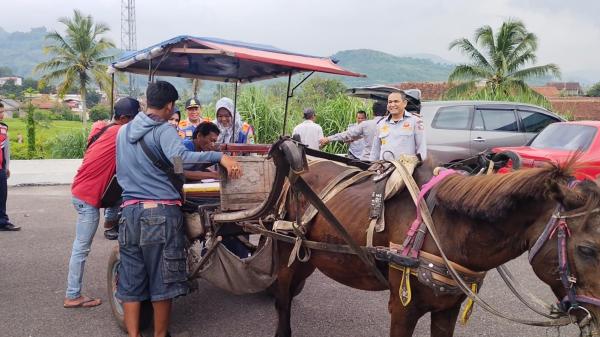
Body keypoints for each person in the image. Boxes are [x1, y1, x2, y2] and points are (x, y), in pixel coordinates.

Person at [115, 81, 241, 337]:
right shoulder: (164, 130)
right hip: (159, 213)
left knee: (131, 277)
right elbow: (179, 159)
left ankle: (134, 335)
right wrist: (220, 157)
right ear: (170, 105)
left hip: (129, 213)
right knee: (164, 277)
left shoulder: (123, 132)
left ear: (148, 100)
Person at [63, 97, 140, 308]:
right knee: (81, 248)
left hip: (81, 190)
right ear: (124, 119)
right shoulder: (120, 133)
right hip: (87, 197)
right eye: (134, 120)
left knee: (123, 191)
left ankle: (110, 221)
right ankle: (72, 295)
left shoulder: (102, 127)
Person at [369, 91, 426, 161]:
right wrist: (371, 166)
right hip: (384, 168)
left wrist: (415, 165)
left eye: (396, 101)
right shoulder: (381, 123)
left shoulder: (415, 121)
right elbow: (375, 150)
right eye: (390, 102)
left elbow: (422, 149)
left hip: (405, 169)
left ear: (404, 103)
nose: (392, 105)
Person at [319, 101, 387, 160]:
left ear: (373, 112)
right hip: (383, 162)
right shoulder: (389, 125)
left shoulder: (366, 124)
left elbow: (347, 134)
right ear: (386, 112)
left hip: (367, 161)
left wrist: (328, 138)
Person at [0, 102, 19, 231]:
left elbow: (6, 150)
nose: (2, 115)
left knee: (2, 197)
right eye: (0, 112)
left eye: (2, 112)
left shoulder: (3, 128)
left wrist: (7, 167)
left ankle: (2, 222)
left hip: (0, 169)